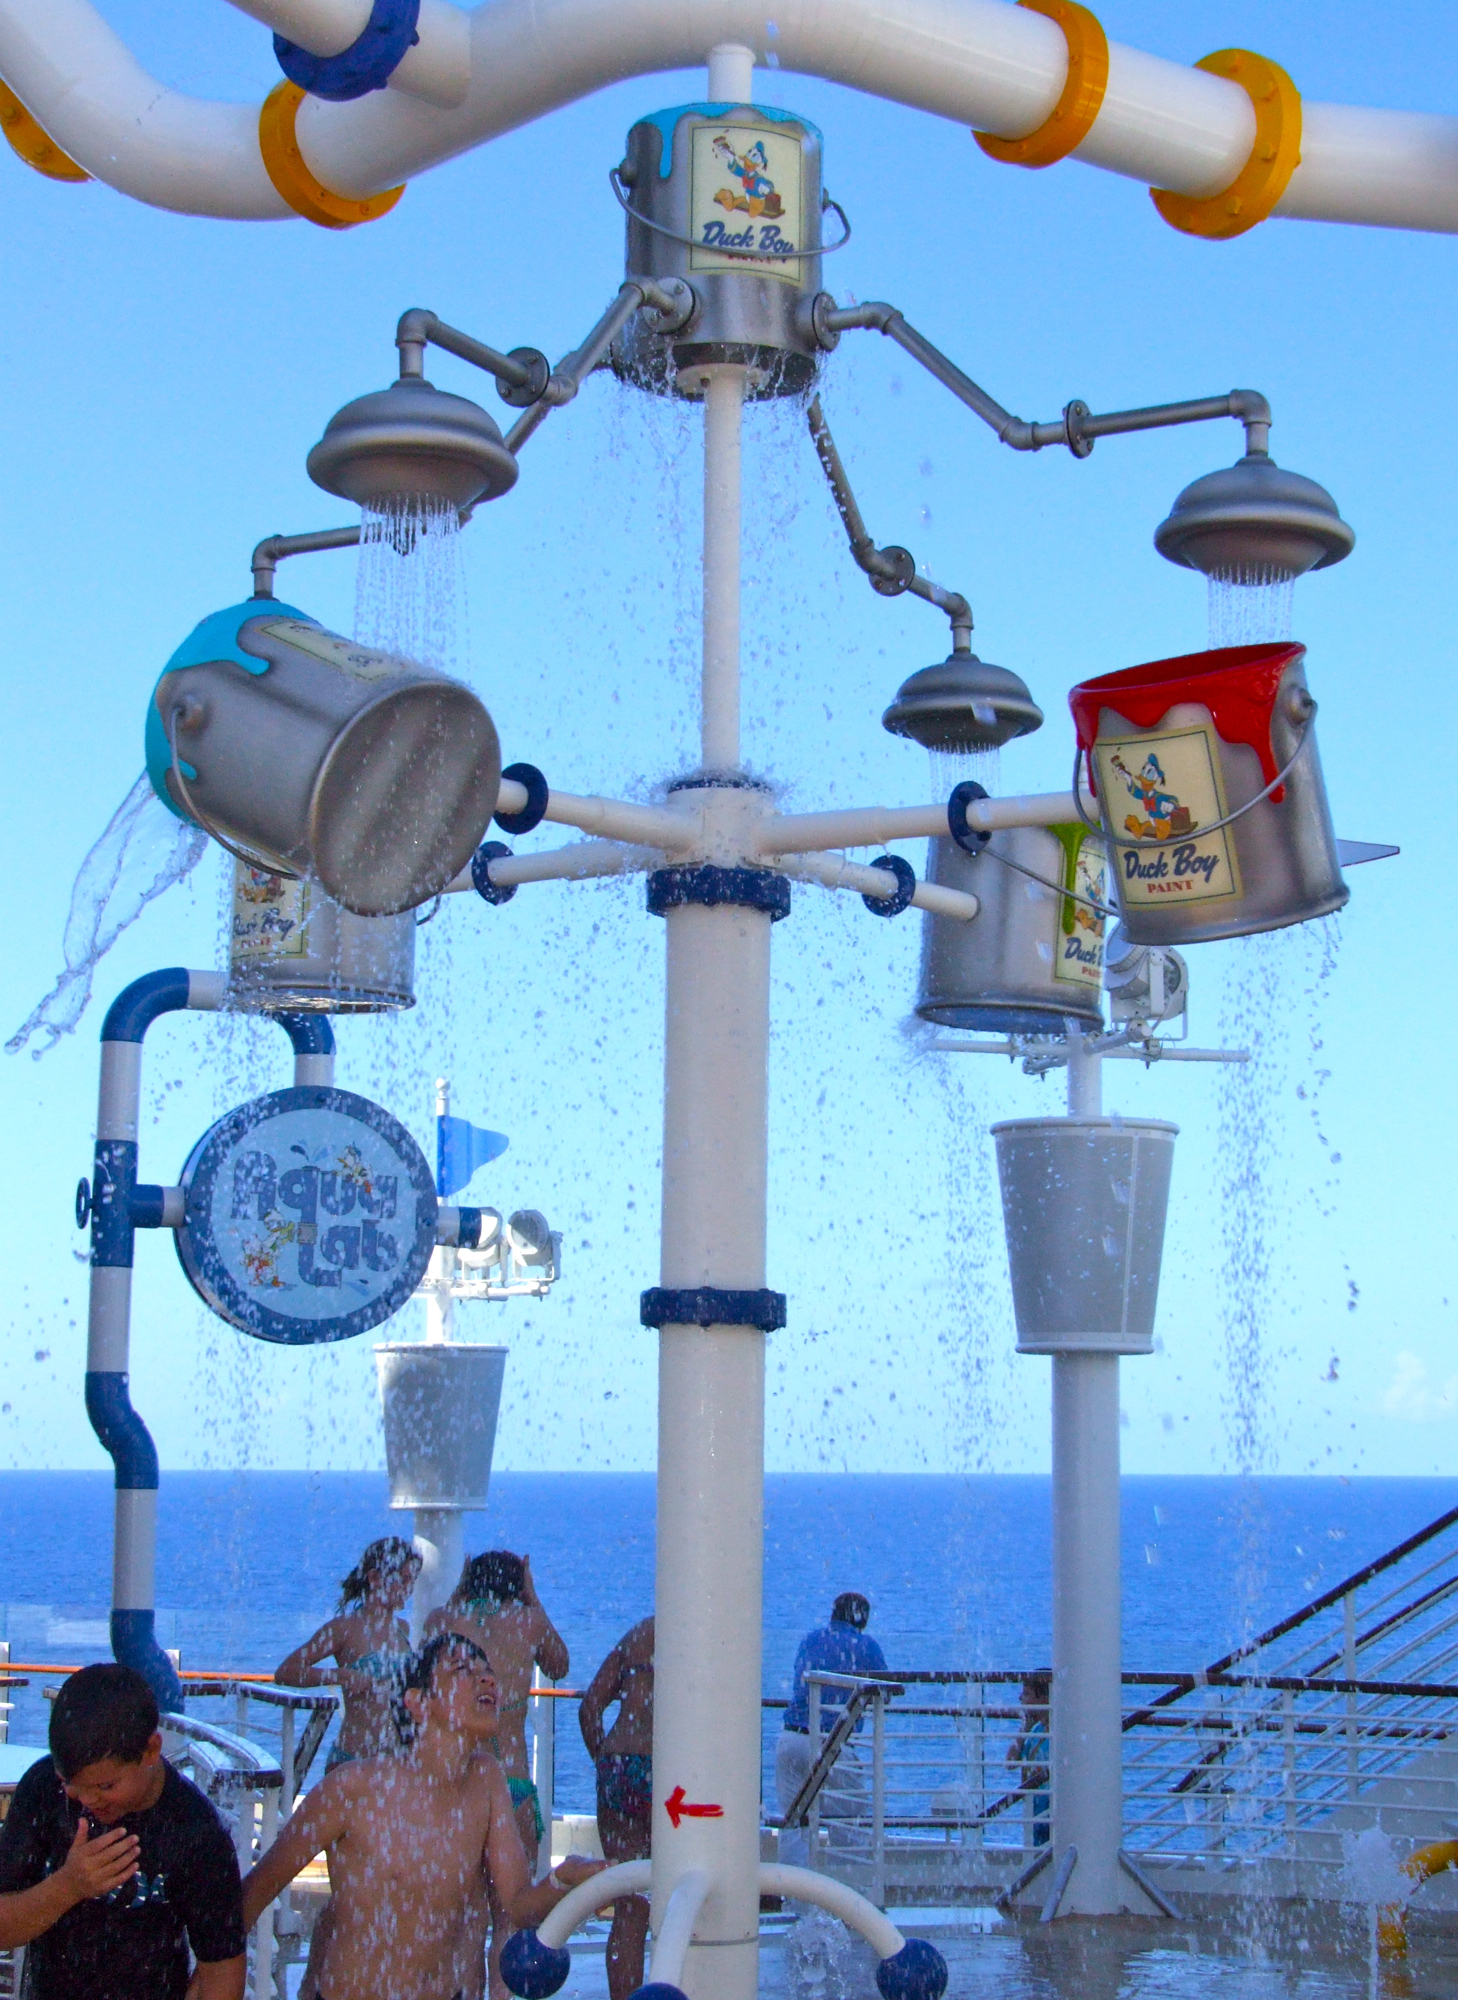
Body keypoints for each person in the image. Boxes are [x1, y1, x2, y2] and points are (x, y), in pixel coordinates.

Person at [243, 1630, 606, 2000]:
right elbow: (256, 1892)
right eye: (462, 1669)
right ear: (418, 1701)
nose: (487, 1679)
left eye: (488, 1671)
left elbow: (518, 1905)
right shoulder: (353, 1789)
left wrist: (566, 1880)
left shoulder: (486, 1778)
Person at [0, 1661, 246, 2000]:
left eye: (105, 1785)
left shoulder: (195, 1830)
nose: (87, 1800)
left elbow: (222, 1970)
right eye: (71, 1783)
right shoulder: (44, 1791)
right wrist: (68, 1886)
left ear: (151, 1750)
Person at [424, 1551, 569, 1998]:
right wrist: (533, 1594)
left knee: (468, 1919)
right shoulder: (528, 1621)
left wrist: (458, 1588)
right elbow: (560, 1664)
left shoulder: (446, 1618)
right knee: (510, 1915)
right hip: (514, 1779)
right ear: (518, 1583)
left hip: (464, 1780)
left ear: (470, 1580)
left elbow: (426, 1653)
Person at [275, 1534, 421, 1770]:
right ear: (375, 1578)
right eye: (403, 1579)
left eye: (412, 1580)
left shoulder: (402, 1628)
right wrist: (340, 1676)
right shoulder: (344, 1628)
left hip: (396, 1761)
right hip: (353, 1758)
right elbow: (286, 1672)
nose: (409, 1588)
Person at [775, 1592, 889, 1866]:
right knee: (850, 1826)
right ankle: (850, 1897)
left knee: (793, 1823)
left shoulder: (810, 1639)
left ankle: (796, 1898)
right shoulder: (866, 1646)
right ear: (861, 1619)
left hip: (792, 1738)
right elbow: (884, 1691)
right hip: (833, 1743)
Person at [578, 1617, 653, 2000]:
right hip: (672, 1773)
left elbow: (590, 1708)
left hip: (620, 1764)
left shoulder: (639, 1635)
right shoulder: (705, 1640)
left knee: (630, 1906)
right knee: (690, 1902)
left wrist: (606, 1764)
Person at [1007, 1672, 1051, 1847]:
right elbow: (1010, 1762)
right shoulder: (1035, 1730)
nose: (1021, 1699)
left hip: (1050, 1808)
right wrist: (1024, 1728)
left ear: (1043, 1699)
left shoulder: (1059, 1733)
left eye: (1027, 1694)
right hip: (1035, 1808)